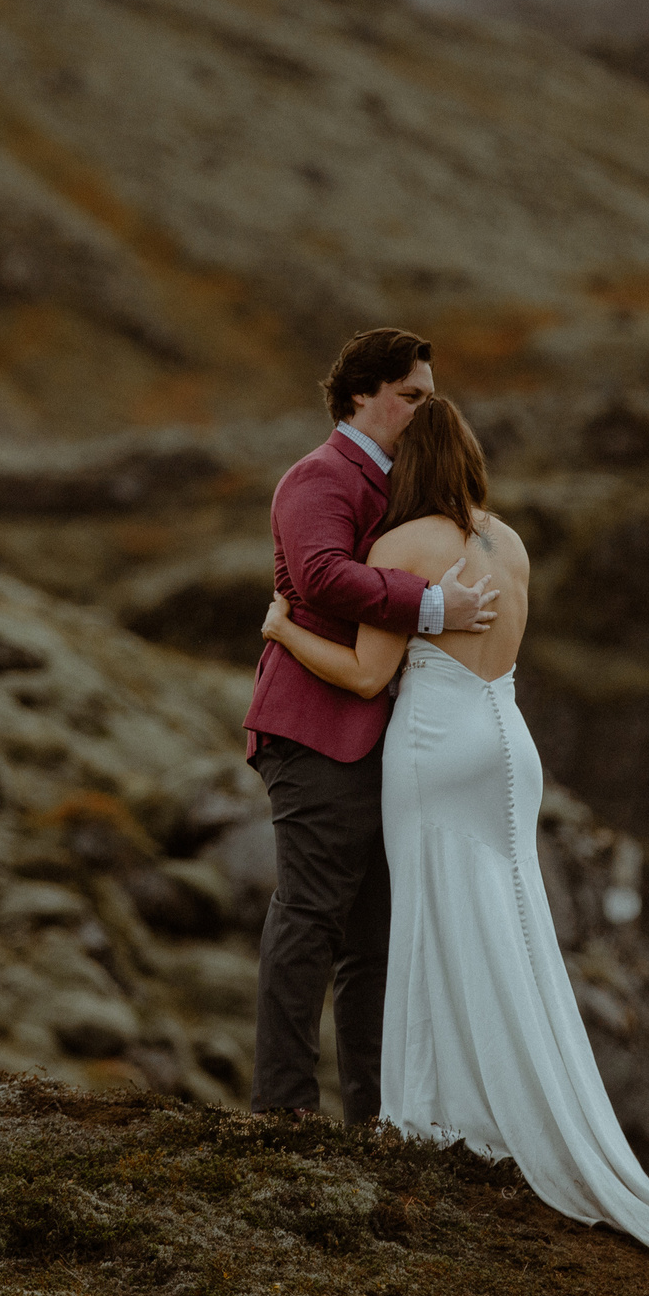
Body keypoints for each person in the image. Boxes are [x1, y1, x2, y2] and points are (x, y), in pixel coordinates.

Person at [260, 395, 649, 1279]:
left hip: (438, 750)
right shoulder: (508, 542)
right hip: (509, 743)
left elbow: (365, 667)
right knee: (511, 924)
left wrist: (279, 628)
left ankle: (445, 1113)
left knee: (432, 919)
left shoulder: (403, 548)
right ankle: (529, 1104)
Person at [243, 328, 500, 1125]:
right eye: (413, 396)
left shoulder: (395, 485)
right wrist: (430, 603)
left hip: (380, 742)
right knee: (310, 915)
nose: (424, 412)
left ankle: (373, 1114)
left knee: (373, 942)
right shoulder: (318, 476)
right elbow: (320, 574)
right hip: (315, 729)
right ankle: (283, 1106)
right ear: (363, 394)